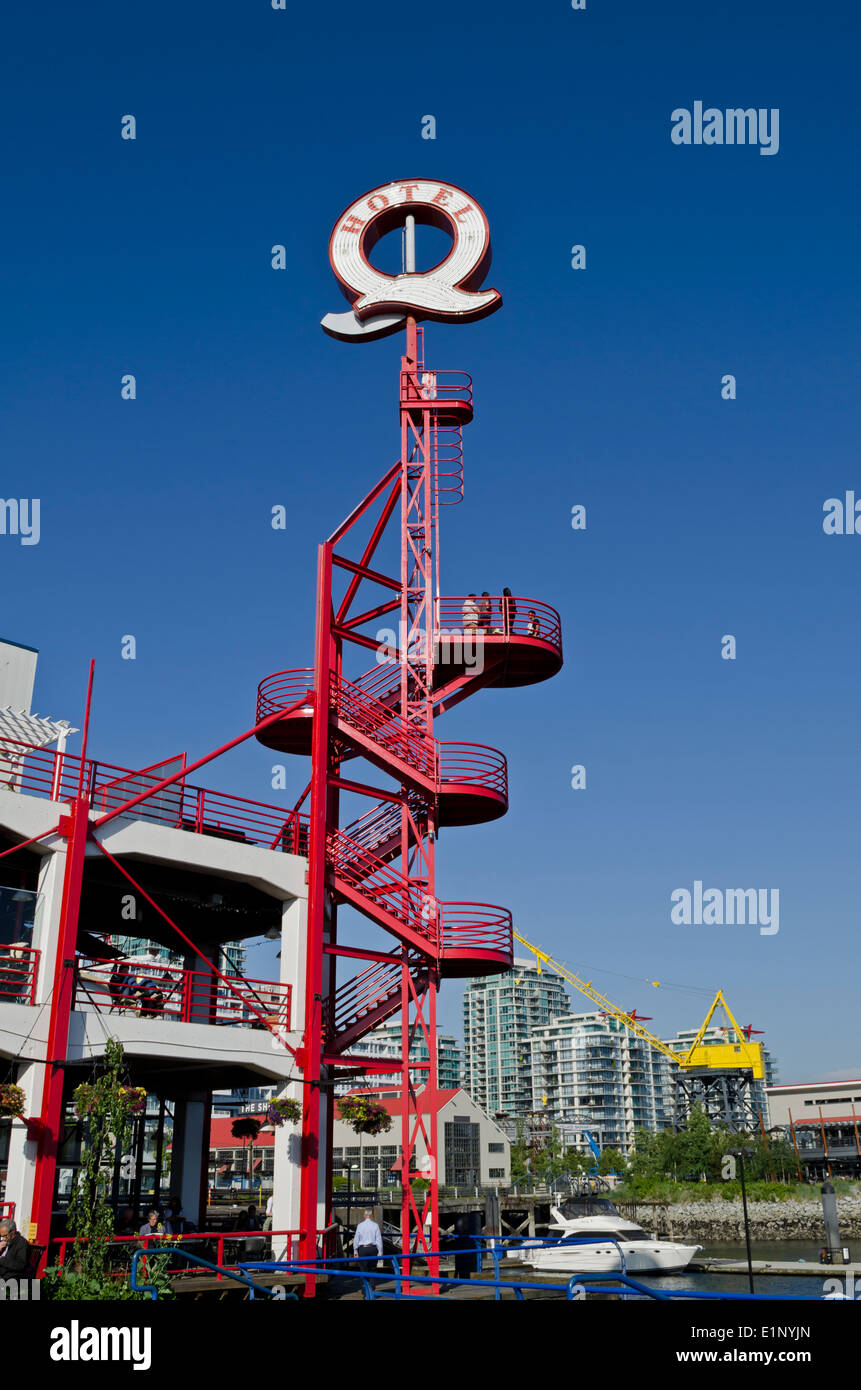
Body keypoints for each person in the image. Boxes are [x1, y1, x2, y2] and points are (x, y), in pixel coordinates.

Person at [353, 1208, 382, 1273]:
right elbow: (378, 1239)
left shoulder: (360, 1225)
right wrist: (380, 1251)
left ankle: (365, 1282)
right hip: (373, 1249)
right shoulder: (375, 1225)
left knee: (363, 1268)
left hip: (362, 1249)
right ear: (371, 1215)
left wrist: (355, 1251)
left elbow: (356, 1239)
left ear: (364, 1215)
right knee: (373, 1268)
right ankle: (372, 1283)